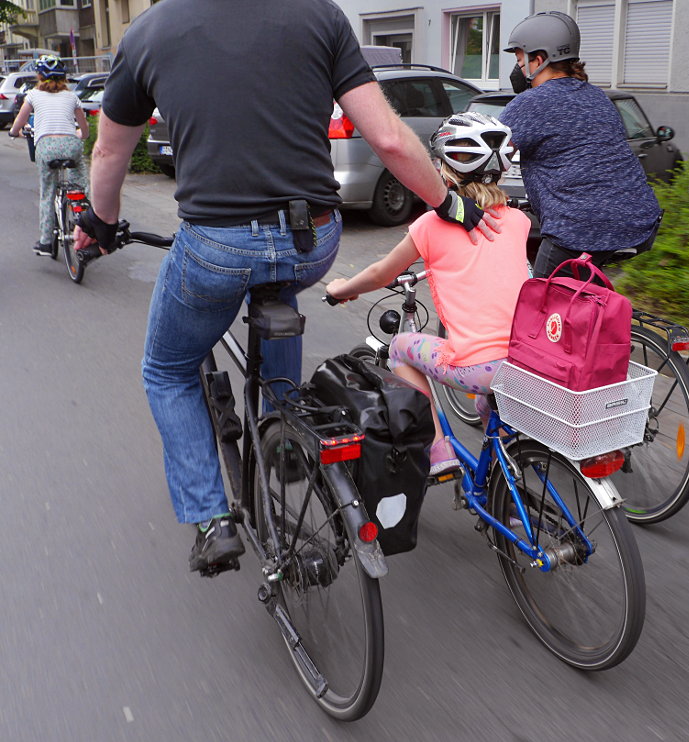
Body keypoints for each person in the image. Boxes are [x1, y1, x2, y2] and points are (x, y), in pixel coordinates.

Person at [72, 0, 498, 574]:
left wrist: (100, 224)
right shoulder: (318, 15)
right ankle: (285, 427)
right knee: (279, 285)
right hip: (313, 241)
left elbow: (109, 150)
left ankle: (212, 520)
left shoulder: (148, 31)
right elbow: (391, 139)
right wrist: (450, 203)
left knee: (167, 370)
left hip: (218, 246)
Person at [326, 113, 530, 475]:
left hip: (477, 367)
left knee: (401, 347)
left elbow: (381, 273)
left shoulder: (432, 225)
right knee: (490, 408)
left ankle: (439, 450)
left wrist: (342, 288)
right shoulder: (517, 220)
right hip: (524, 365)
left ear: (445, 170)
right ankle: (507, 498)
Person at [498, 11, 662, 279]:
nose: (518, 69)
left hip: (580, 226)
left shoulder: (530, 103)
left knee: (538, 308)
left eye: (519, 60)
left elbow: (486, 154)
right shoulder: (598, 97)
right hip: (637, 218)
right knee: (585, 305)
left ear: (538, 60)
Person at [9, 55, 89, 256]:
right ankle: (83, 217)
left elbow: (19, 122)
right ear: (64, 78)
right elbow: (84, 128)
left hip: (46, 147)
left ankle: (45, 242)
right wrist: (80, 135)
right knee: (79, 183)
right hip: (71, 145)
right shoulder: (72, 97)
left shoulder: (33, 95)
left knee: (48, 192)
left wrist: (13, 132)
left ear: (39, 77)